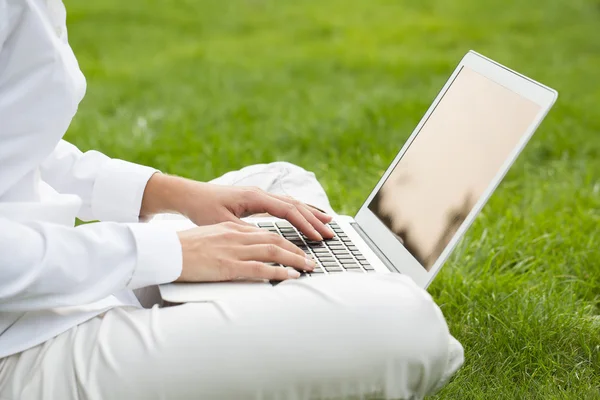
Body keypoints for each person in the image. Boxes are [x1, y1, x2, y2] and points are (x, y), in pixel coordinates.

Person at [0, 1, 464, 399]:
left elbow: (22, 141)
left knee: (280, 182)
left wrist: (173, 193)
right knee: (409, 326)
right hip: (20, 345)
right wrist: (170, 254)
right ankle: (329, 300)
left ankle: (296, 292)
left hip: (56, 279)